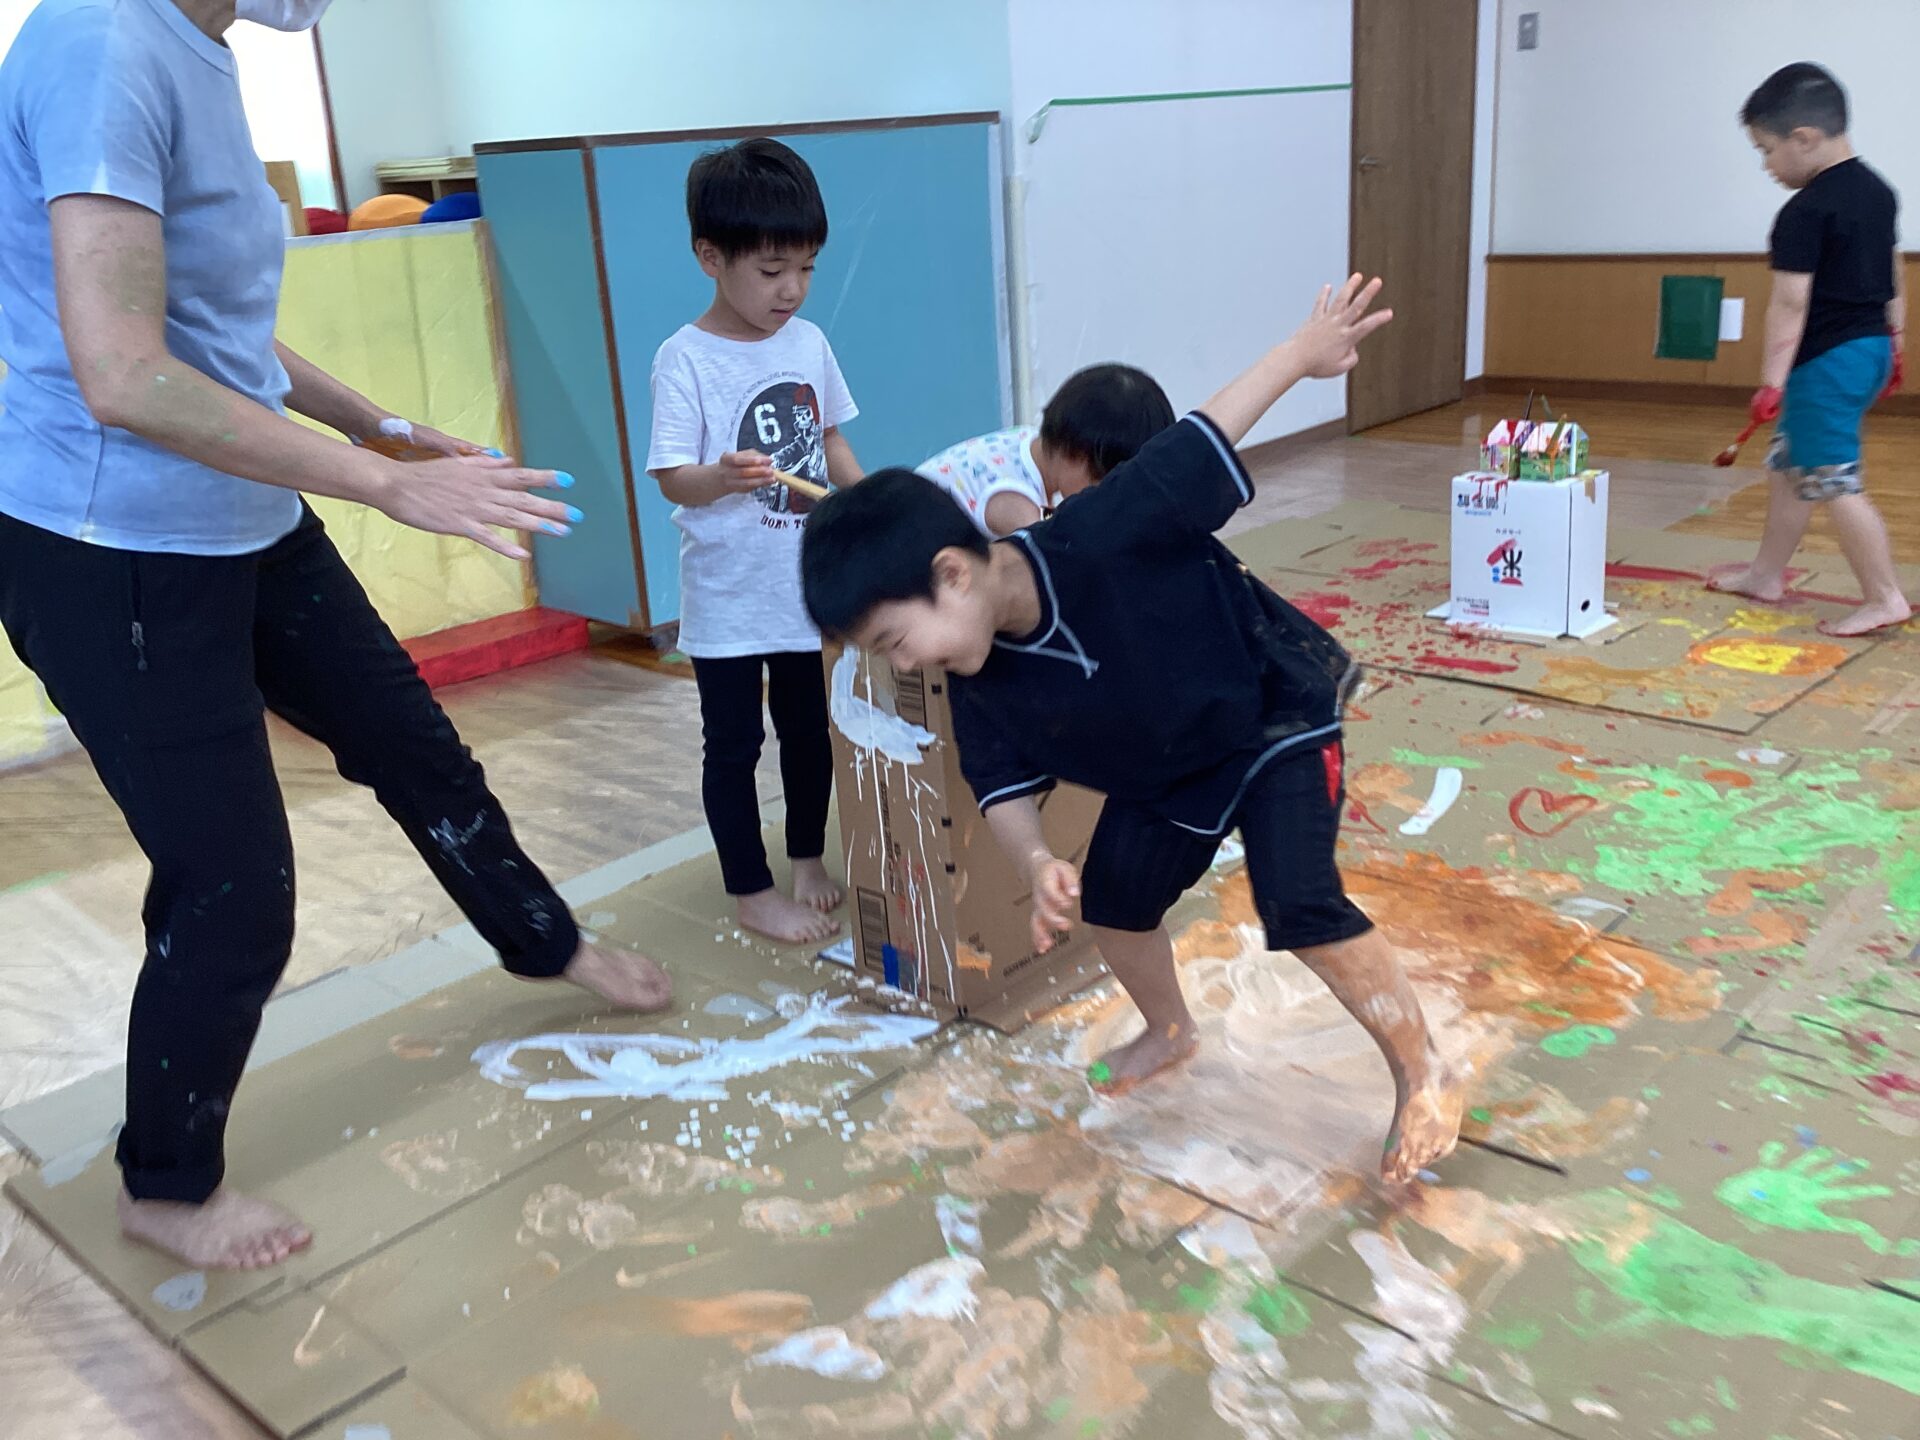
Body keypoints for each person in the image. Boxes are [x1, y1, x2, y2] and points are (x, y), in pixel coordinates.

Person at [0, 0, 671, 1272]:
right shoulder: (103, 46)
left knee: (417, 749)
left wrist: (379, 429)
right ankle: (167, 1185)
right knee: (235, 887)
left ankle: (546, 942)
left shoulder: (195, 45)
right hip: (114, 547)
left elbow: (213, 326)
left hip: (242, 514)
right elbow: (123, 374)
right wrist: (384, 487)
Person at [800, 276, 1460, 1186]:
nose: (904, 664)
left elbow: (1202, 436)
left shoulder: (1104, 528)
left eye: (893, 641)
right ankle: (1170, 1028)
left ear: (952, 575)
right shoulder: (975, 674)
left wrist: (1304, 353)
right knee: (1115, 904)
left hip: (1270, 716)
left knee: (1299, 903)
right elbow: (1000, 788)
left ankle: (1423, 1070)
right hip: (1165, 767)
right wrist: (1037, 862)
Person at [647, 138, 863, 946]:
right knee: (733, 747)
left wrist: (867, 503)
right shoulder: (685, 359)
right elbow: (672, 479)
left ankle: (806, 857)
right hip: (729, 596)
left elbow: (830, 439)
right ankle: (751, 890)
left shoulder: (808, 343)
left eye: (805, 268)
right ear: (711, 257)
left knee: (810, 733)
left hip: (804, 588)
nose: (792, 289)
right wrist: (720, 476)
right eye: (772, 270)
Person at [1709, 62, 1909, 636]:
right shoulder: (1878, 191)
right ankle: (1766, 574)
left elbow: (1790, 305)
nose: (1766, 165)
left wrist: (1771, 382)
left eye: (1767, 150)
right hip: (1868, 350)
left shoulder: (1804, 212)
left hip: (1827, 363)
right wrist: (1896, 343)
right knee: (1789, 465)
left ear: (1803, 138)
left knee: (1832, 480)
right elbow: (1894, 272)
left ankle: (1884, 596)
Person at [917, 364, 1174, 538]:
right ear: (1077, 456)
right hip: (910, 549)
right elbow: (1051, 551)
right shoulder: (1015, 497)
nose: (1107, 500)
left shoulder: (1030, 441)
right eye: (1104, 485)